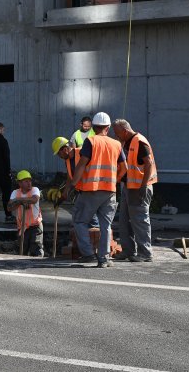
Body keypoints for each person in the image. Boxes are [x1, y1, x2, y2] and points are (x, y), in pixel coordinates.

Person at [65, 111, 124, 268]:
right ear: (108, 127)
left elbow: (82, 164)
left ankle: (88, 254)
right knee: (106, 225)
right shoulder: (116, 144)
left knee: (79, 220)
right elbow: (123, 167)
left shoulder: (90, 141)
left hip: (91, 189)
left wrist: (72, 185)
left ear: (94, 127)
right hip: (110, 190)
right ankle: (104, 259)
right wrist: (115, 180)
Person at [112, 119, 157, 262]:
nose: (117, 136)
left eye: (118, 133)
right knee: (124, 221)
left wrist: (143, 186)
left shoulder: (139, 141)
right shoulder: (127, 142)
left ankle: (145, 253)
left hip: (139, 188)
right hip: (128, 187)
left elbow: (148, 163)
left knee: (140, 220)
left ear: (125, 131)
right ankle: (128, 251)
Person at [52, 136, 99, 228]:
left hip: (91, 188)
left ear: (65, 149)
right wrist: (64, 195)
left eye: (59, 153)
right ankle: (84, 237)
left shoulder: (82, 152)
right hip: (81, 191)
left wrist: (70, 189)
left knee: (90, 215)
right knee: (78, 215)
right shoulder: (67, 161)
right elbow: (70, 178)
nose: (59, 156)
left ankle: (96, 236)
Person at [8, 170, 44, 257]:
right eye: (26, 181)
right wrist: (21, 202)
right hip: (23, 226)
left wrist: (18, 200)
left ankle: (38, 266)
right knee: (23, 249)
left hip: (35, 225)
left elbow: (34, 199)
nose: (29, 183)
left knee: (36, 248)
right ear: (19, 183)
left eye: (30, 180)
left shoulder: (35, 190)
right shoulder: (15, 192)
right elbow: (9, 207)